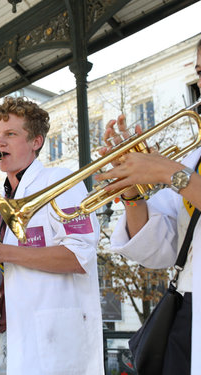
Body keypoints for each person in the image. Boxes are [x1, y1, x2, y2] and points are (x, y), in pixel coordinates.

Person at [0, 96, 104, 374]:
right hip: (11, 335)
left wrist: (2, 252)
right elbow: (24, 268)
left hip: (54, 343)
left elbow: (79, 256)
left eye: (11, 134)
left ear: (36, 141)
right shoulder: (6, 196)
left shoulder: (61, 182)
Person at [95, 39, 201, 375]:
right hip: (188, 315)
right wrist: (132, 192)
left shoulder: (183, 167)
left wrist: (166, 171)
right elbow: (162, 249)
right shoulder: (195, 157)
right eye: (199, 72)